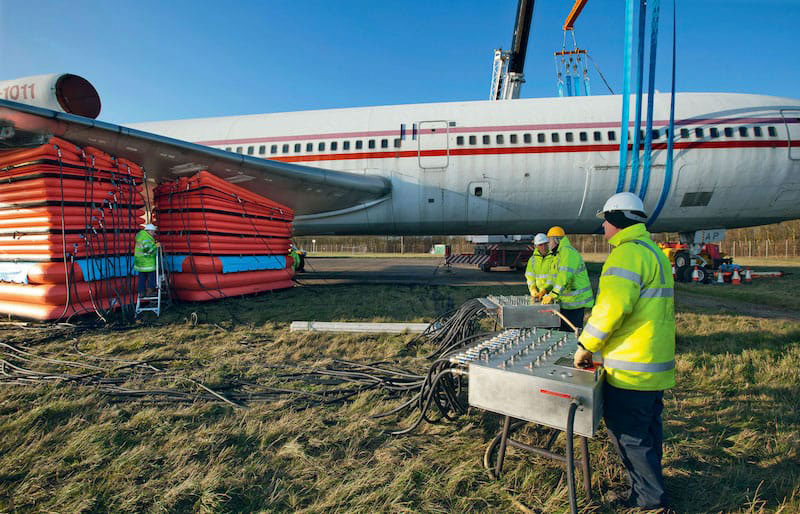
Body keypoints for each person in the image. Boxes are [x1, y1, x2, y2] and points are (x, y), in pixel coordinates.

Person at [573, 192, 675, 510]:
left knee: (630, 436)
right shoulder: (652, 251)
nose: (603, 225)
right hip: (653, 364)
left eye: (606, 219)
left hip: (631, 367)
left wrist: (586, 346)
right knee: (647, 434)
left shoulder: (626, 255)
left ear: (617, 221)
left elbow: (611, 310)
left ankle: (650, 502)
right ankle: (646, 491)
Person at [541, 225, 594, 331]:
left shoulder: (567, 252)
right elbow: (553, 277)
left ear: (555, 240)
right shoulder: (558, 255)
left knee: (572, 333)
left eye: (549, 241)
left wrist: (553, 295)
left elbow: (563, 277)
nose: (548, 244)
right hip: (566, 302)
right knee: (564, 332)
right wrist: (545, 289)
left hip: (575, 302)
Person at [525, 233, 552, 301]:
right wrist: (533, 290)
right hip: (539, 295)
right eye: (540, 245)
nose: (543, 247)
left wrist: (546, 290)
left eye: (545, 244)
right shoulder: (532, 260)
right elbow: (530, 277)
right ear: (536, 246)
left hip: (552, 294)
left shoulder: (555, 257)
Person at [134, 223, 159, 297]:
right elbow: (149, 250)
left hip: (140, 263)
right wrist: (156, 246)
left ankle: (141, 292)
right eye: (153, 232)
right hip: (147, 262)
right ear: (150, 231)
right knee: (152, 277)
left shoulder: (141, 236)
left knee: (142, 278)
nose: (154, 234)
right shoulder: (146, 238)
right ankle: (150, 291)